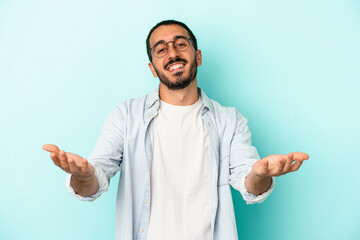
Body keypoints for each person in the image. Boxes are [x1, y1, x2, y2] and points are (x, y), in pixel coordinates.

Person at [43, 20, 309, 240]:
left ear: (198, 56)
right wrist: (83, 174)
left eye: (181, 44)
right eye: (161, 49)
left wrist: (260, 173)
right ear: (152, 67)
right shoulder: (126, 115)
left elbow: (249, 185)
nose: (172, 53)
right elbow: (94, 181)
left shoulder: (230, 120)